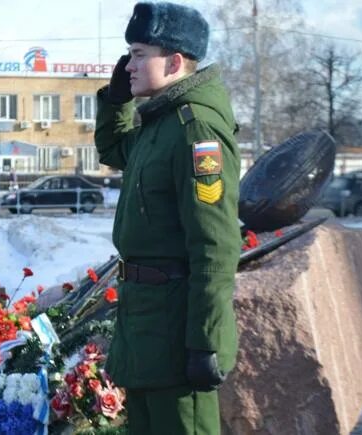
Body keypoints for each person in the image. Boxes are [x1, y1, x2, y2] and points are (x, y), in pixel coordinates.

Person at [94, 3, 240, 434]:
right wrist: (116, 99)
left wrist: (207, 341)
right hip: (146, 324)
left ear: (175, 62)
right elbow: (113, 149)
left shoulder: (196, 131)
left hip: (177, 332)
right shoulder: (160, 123)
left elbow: (214, 244)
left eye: (139, 54)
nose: (127, 65)